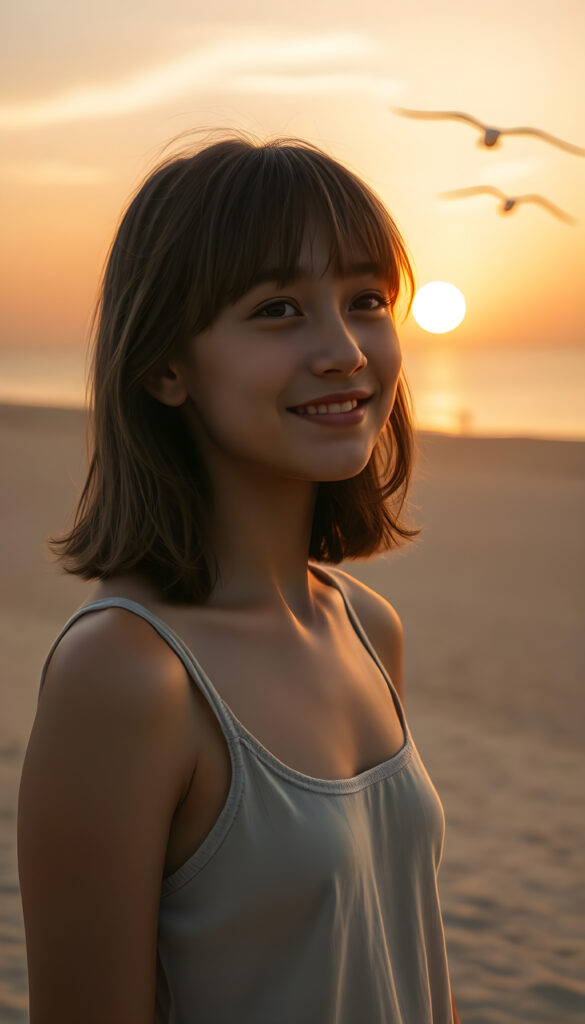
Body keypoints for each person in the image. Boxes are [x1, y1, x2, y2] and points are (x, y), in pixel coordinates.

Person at [17, 129, 461, 1023]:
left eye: (366, 300)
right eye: (277, 309)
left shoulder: (367, 628)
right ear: (165, 367)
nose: (345, 350)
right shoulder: (127, 675)